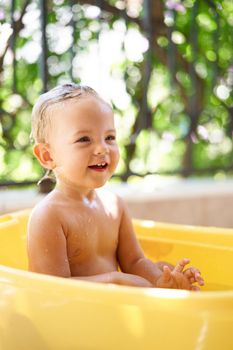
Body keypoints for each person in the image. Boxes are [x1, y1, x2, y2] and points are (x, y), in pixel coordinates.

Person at [27, 83, 204, 290]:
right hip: (74, 317)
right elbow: (48, 289)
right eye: (84, 139)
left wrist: (162, 281)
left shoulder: (114, 205)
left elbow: (135, 262)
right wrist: (113, 280)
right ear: (48, 156)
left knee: (162, 266)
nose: (102, 148)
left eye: (109, 137)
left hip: (115, 313)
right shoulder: (49, 215)